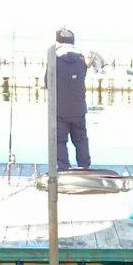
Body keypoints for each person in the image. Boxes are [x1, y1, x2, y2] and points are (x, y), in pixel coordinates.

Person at [45, 28, 103, 171]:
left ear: (57, 41)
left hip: (59, 109)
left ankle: (63, 168)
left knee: (60, 141)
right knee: (81, 139)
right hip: (79, 108)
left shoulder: (54, 58)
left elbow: (47, 83)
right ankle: (84, 166)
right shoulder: (81, 59)